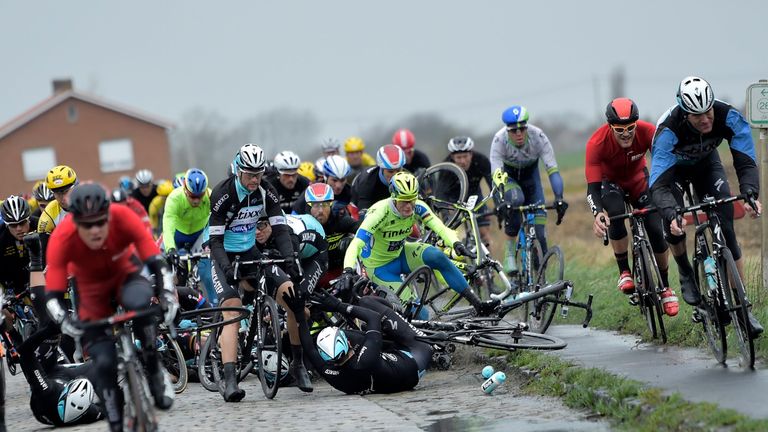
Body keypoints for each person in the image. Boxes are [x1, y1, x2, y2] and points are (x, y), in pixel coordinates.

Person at [44, 183, 179, 432]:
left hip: (126, 277)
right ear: (75, 221)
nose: (95, 230)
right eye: (87, 225)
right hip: (92, 292)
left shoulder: (123, 216)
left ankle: (154, 370)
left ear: (109, 214)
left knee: (142, 308)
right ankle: (116, 422)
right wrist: (64, 320)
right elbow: (51, 294)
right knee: (104, 363)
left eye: (100, 222)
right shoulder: (62, 236)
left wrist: (168, 295)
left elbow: (156, 262)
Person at [649, 76, 762, 335]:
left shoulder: (728, 116)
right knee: (673, 222)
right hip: (672, 172)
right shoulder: (668, 130)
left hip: (706, 165)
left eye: (708, 111)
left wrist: (750, 193)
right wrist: (670, 213)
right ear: (684, 112)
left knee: (727, 230)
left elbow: (745, 162)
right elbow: (659, 186)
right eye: (696, 115)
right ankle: (686, 270)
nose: (705, 119)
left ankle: (743, 307)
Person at [209, 143, 312, 401]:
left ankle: (299, 365)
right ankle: (231, 380)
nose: (255, 180)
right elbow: (215, 242)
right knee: (232, 310)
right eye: (250, 174)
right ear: (238, 171)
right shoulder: (224, 193)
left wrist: (290, 258)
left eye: (259, 174)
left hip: (251, 253)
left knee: (293, 298)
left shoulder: (266, 189)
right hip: (225, 256)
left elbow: (279, 228)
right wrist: (225, 267)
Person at [342, 171, 497, 316]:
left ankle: (478, 305)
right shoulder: (379, 213)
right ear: (394, 198)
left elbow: (440, 228)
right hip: (380, 268)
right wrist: (347, 271)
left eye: (412, 200)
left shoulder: (418, 206)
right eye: (404, 201)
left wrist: (456, 243)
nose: (409, 206)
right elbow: (355, 244)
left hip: (400, 254)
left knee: (437, 256)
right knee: (421, 314)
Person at [585, 98, 678, 316]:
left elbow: (666, 163)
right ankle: (624, 271)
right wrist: (598, 213)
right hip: (611, 184)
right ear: (610, 127)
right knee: (615, 214)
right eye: (619, 129)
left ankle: (665, 286)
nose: (626, 134)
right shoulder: (596, 143)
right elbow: (592, 189)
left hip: (638, 180)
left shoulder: (648, 132)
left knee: (655, 227)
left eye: (630, 128)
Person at [282, 288, 432, 395]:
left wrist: (299, 315)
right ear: (346, 342)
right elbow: (374, 317)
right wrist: (338, 306)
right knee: (366, 302)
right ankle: (398, 311)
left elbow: (309, 349)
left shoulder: (331, 373)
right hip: (416, 355)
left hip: (394, 371)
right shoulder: (365, 360)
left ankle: (392, 328)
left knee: (370, 334)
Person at [490, 105, 568, 274]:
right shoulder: (499, 140)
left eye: (522, 129)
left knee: (539, 232)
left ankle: (541, 278)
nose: (518, 134)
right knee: (515, 201)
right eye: (513, 131)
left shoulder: (538, 136)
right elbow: (496, 176)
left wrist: (559, 197)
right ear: (507, 131)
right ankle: (510, 252)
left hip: (531, 179)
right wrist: (501, 201)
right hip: (508, 179)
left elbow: (552, 170)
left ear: (526, 127)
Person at [18, 324, 102, 427]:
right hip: (61, 377)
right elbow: (104, 410)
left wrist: (49, 330)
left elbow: (24, 354)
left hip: (46, 395)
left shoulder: (47, 391)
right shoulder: (91, 413)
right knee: (100, 365)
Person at [163, 168, 215, 302]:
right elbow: (168, 226)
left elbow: (214, 221)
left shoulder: (210, 196)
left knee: (207, 273)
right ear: (185, 189)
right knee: (179, 273)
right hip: (178, 236)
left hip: (199, 236)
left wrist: (209, 241)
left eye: (200, 196)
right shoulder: (175, 198)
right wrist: (170, 248)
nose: (196, 201)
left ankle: (216, 308)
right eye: (192, 196)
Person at [301, 184, 360, 289]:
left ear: (331, 205)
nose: (320, 211)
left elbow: (364, 231)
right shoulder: (302, 223)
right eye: (315, 205)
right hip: (311, 271)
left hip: (338, 270)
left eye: (324, 205)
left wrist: (352, 242)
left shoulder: (340, 219)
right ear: (308, 206)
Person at [257, 212, 328, 300]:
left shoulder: (290, 237)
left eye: (260, 226)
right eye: (253, 227)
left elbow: (296, 274)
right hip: (297, 237)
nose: (256, 232)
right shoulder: (263, 231)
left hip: (316, 254)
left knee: (297, 296)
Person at [444, 136, 495, 248]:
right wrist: (446, 214)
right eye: (458, 157)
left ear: (471, 154)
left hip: (474, 196)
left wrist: (499, 203)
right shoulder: (446, 166)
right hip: (453, 199)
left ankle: (487, 262)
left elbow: (493, 184)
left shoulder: (481, 161)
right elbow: (440, 193)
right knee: (455, 234)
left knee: (484, 234)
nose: (462, 161)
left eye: (465, 156)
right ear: (452, 157)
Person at [292, 155, 358, 219]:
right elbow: (294, 216)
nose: (338, 185)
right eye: (334, 180)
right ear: (325, 177)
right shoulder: (312, 190)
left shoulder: (350, 192)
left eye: (342, 180)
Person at [351, 144, 407, 211]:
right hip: (359, 198)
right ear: (381, 169)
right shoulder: (367, 182)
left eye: (398, 170)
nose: (395, 175)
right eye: (390, 171)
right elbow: (363, 218)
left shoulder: (409, 177)